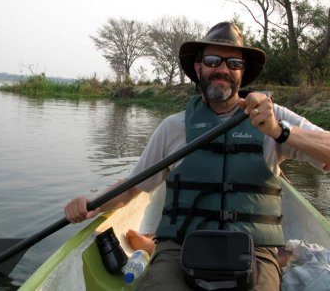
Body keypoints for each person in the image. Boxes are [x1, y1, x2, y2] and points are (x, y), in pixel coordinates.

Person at [64, 22, 330, 290]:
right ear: (198, 67)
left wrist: (279, 131)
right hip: (179, 249)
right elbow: (133, 187)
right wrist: (92, 205)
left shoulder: (273, 117)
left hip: (254, 252)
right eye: (213, 60)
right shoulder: (173, 127)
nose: (223, 69)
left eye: (233, 63)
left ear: (242, 71)